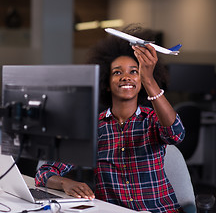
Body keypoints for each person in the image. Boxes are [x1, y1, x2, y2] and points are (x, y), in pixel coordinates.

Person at [35, 24, 186, 213]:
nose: (126, 77)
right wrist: (66, 183)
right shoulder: (93, 127)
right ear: (106, 83)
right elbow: (44, 173)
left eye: (134, 71)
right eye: (117, 72)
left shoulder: (153, 120)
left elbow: (176, 134)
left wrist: (149, 80)